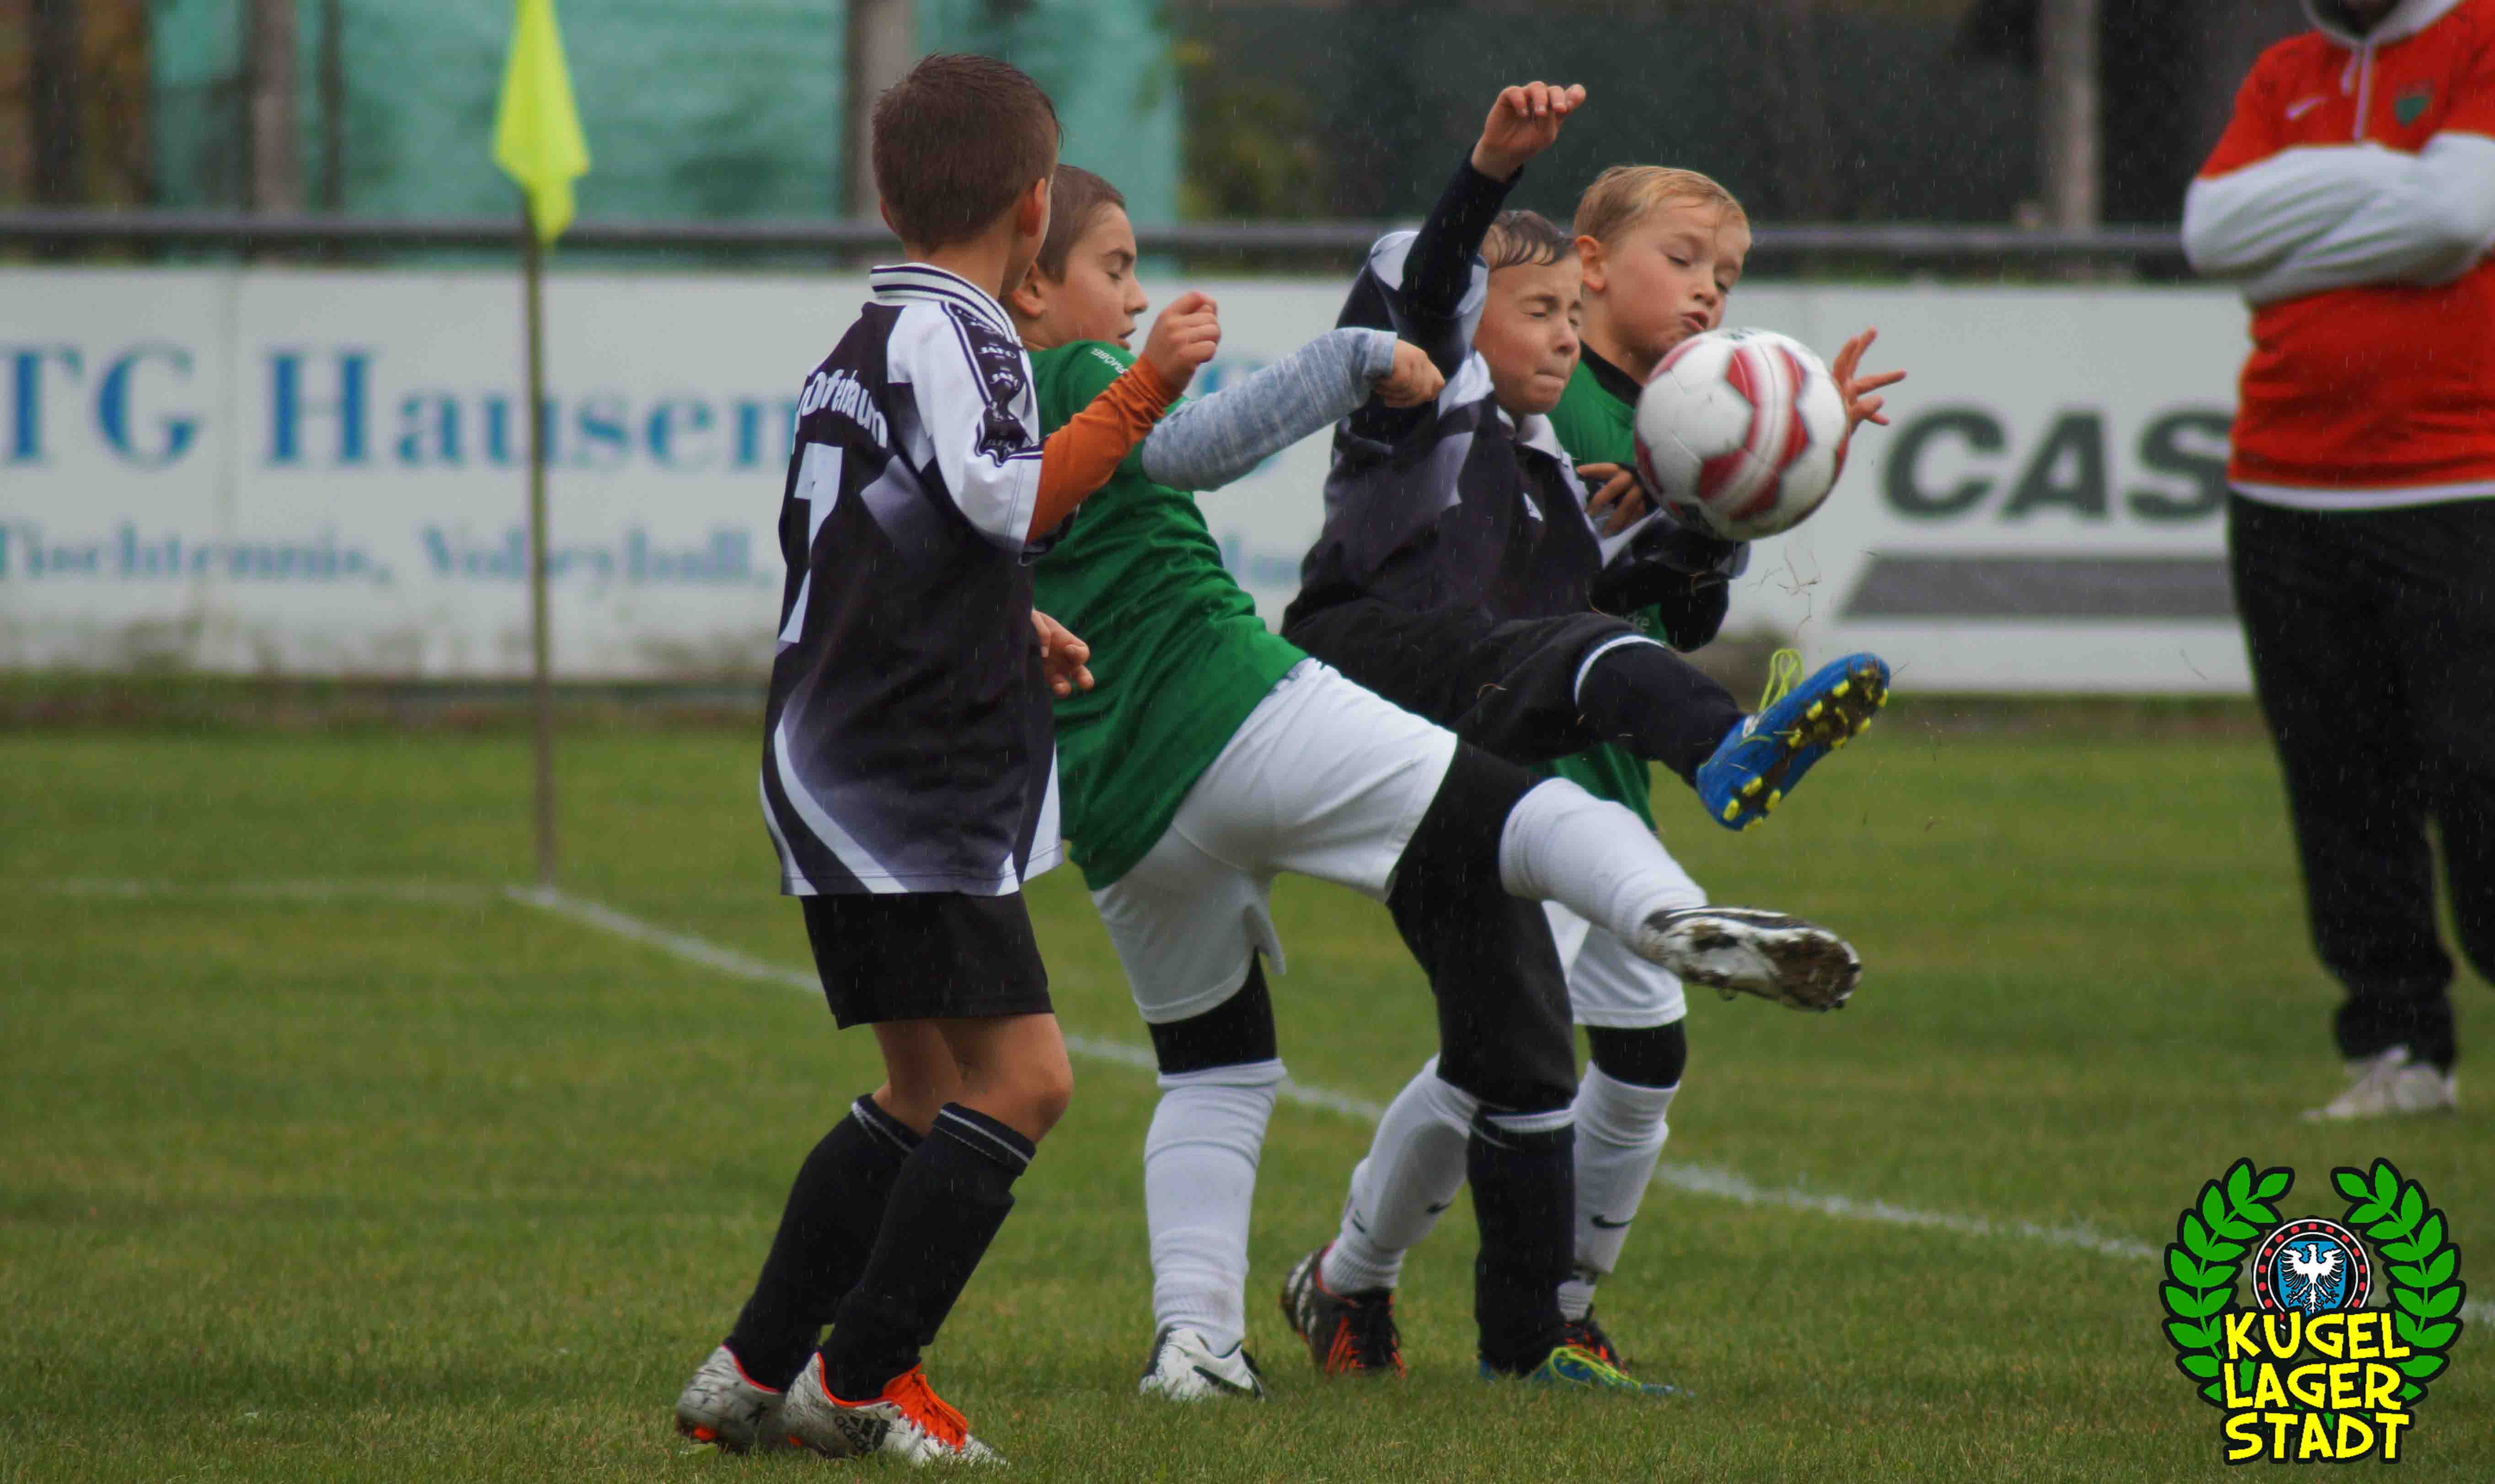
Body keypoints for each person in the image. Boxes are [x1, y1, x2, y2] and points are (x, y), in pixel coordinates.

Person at [1003, 151, 1864, 1399]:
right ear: (1033, 282)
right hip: (1288, 698)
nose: (1137, 297)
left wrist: (1713, 518)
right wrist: (1472, 192)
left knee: (1289, 1062)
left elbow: (1647, 598)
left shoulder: (970, 428)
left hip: (1118, 797)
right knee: (1551, 788)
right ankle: (1678, 897)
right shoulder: (1391, 393)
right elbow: (1343, 336)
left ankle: (1226, 1342)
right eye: (1117, 267)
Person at [1275, 89, 1885, 1388]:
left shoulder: (1642, 422)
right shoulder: (1524, 398)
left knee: (1640, 1049)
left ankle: (1560, 1307)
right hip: (1512, 767)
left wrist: (1752, 482)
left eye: (1728, 277)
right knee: (1503, 1057)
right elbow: (1434, 287)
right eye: (1684, 259)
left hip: (1603, 769)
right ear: (1592, 265)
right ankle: (1360, 1277)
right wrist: (1490, 174)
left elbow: (1678, 610)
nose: (1710, 292)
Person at [668, 54, 1219, 1464]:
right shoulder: (965, 335)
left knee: (923, 1088)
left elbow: (883, 538)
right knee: (1027, 1078)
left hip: (834, 750)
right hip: (907, 773)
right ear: (1035, 210)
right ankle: (862, 1377)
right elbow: (1009, 498)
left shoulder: (863, 340)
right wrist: (1147, 389)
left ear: (889, 193)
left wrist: (1001, 619)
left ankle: (752, 1367)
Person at [2183, 0, 2495, 1120]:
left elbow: (2457, 218)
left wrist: (2293, 238)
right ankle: (2399, 1045)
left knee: (2478, 768)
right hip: (2282, 487)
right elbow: (2211, 236)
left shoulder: (2480, 37)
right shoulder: (2283, 71)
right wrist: (2384, 178)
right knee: (2338, 780)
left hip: (2461, 482)